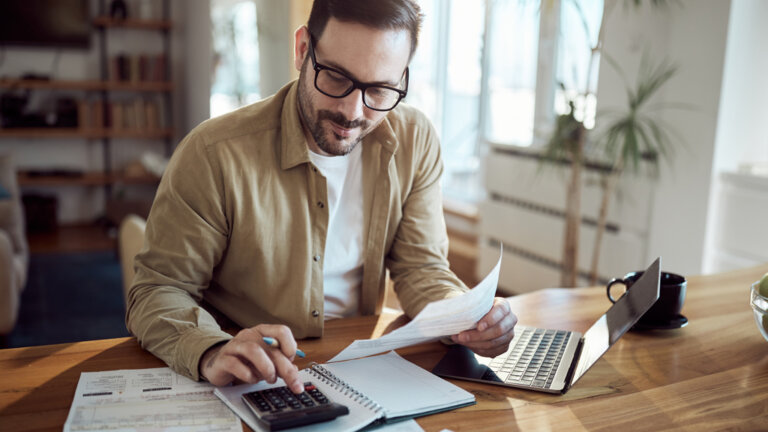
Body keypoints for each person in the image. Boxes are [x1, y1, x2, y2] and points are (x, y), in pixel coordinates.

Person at [126, 0, 517, 395]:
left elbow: (422, 268)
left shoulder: (414, 140)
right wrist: (211, 350)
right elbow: (157, 291)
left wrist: (467, 318)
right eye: (335, 77)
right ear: (302, 51)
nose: (353, 111)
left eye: (379, 89)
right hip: (250, 378)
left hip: (364, 367)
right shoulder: (214, 154)